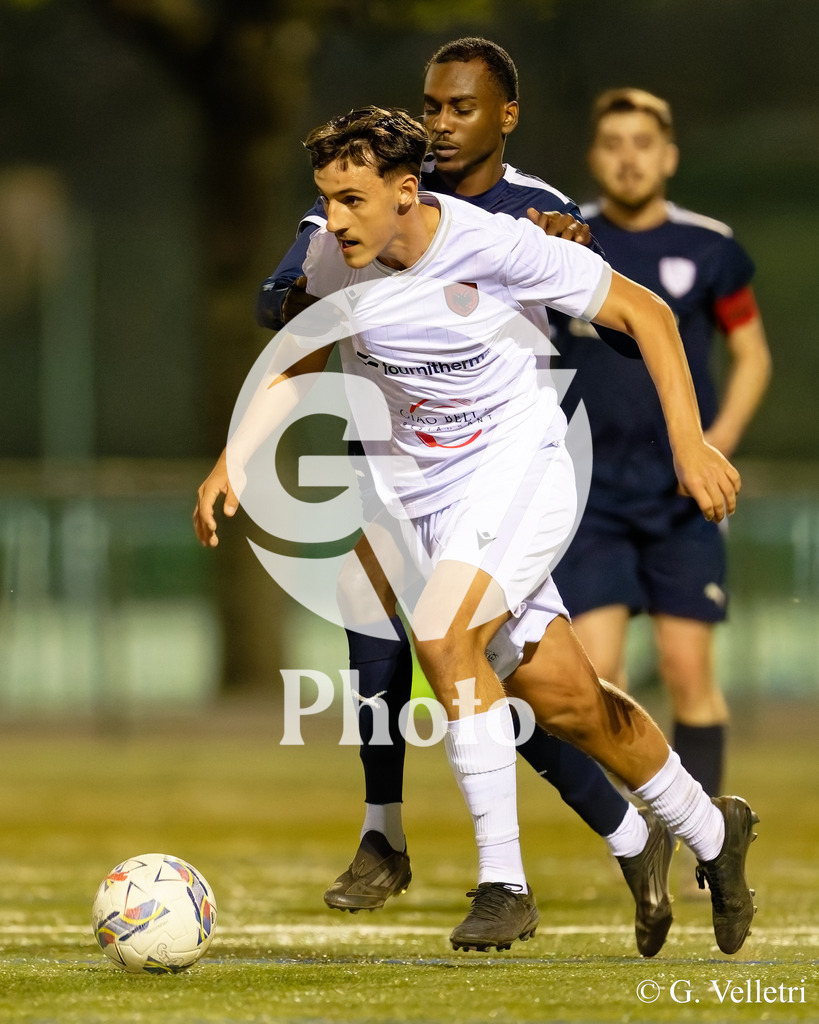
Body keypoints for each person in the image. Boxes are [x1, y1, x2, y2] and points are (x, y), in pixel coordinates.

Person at [194, 105, 759, 956]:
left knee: (441, 634)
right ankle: (712, 832)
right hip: (426, 501)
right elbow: (300, 357)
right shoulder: (331, 259)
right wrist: (234, 458)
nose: (332, 219)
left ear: (406, 190)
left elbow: (645, 315)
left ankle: (504, 886)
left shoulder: (491, 243)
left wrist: (691, 445)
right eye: (323, 198)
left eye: (350, 199)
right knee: (569, 704)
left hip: (523, 470)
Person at [256, 39, 675, 959]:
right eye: (430, 106)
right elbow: (283, 301)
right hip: (391, 470)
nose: (439, 123)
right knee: (400, 641)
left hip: (496, 473)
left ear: (503, 117)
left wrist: (576, 277)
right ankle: (387, 831)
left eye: (458, 108)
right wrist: (301, 280)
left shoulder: (533, 212)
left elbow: (609, 329)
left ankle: (624, 834)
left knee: (507, 686)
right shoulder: (360, 199)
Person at [551, 88, 772, 812]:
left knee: (685, 669)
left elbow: (752, 356)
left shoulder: (709, 247)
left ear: (668, 156)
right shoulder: (563, 241)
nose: (627, 157)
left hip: (681, 497)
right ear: (593, 156)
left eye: (642, 143)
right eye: (612, 143)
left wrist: (714, 444)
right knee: (597, 673)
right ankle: (635, 838)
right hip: (591, 498)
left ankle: (706, 843)